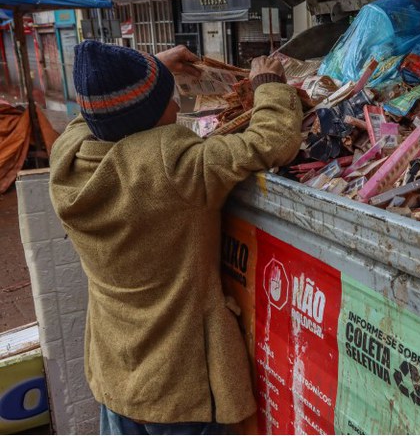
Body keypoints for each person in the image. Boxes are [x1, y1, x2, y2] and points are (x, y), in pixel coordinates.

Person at [48, 41, 303, 434]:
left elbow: (92, 117)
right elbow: (271, 140)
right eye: (169, 97)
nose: (179, 106)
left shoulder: (67, 161)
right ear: (151, 117)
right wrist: (269, 84)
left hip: (118, 376)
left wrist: (154, 68)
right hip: (181, 390)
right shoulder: (173, 167)